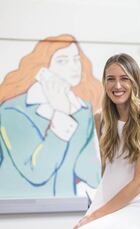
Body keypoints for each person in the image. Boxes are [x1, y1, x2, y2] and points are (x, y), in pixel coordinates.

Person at [0, 34, 102, 197]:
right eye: (62, 61)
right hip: (16, 212)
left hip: (63, 210)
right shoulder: (12, 110)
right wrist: (61, 114)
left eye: (76, 59)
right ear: (43, 70)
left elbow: (88, 171)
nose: (74, 66)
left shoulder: (82, 111)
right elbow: (36, 172)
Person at [74, 54, 140, 228]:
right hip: (106, 202)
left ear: (135, 82)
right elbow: (106, 170)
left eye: (124, 79)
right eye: (110, 79)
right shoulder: (100, 119)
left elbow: (139, 184)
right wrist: (94, 212)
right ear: (104, 83)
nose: (117, 86)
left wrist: (94, 217)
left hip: (139, 208)